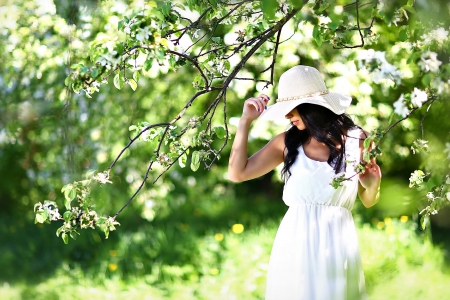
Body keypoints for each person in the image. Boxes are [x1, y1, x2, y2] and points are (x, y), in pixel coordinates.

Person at [228, 65, 381, 300]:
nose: (288, 116)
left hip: (339, 242)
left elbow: (369, 201)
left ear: (311, 108)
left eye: (291, 109)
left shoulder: (357, 140)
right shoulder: (287, 142)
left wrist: (372, 186)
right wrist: (245, 121)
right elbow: (237, 173)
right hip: (296, 241)